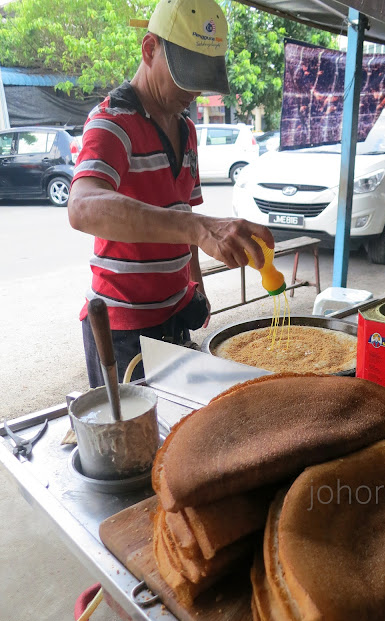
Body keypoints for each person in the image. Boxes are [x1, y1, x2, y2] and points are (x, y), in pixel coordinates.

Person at [68, 0, 273, 388]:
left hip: (175, 312)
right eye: (186, 75)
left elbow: (185, 213)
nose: (195, 91)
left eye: (202, 77)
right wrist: (198, 228)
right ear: (149, 50)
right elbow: (82, 207)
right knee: (135, 442)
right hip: (122, 325)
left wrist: (196, 287)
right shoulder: (112, 123)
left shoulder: (186, 129)